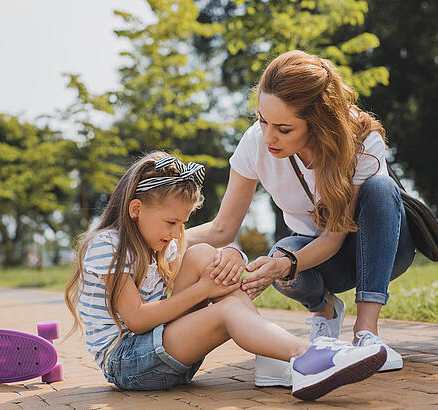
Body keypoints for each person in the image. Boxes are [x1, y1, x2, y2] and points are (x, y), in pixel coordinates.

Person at [64, 152, 387, 400]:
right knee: (225, 307)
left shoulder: (160, 244)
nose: (178, 233)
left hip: (166, 353)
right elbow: (136, 320)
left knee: (204, 254)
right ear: (136, 210)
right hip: (128, 363)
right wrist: (204, 289)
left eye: (184, 223)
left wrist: (234, 256)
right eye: (171, 222)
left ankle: (277, 358)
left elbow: (209, 256)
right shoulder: (109, 245)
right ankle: (305, 356)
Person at [186, 50, 416, 382]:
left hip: (380, 250)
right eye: (262, 120)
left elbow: (335, 237)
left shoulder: (362, 138)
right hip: (317, 257)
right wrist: (155, 238)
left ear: (319, 123)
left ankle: (367, 334)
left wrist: (286, 263)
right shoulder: (256, 143)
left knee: (381, 189)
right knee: (279, 256)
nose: (269, 138)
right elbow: (222, 228)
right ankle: (325, 313)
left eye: (283, 128)